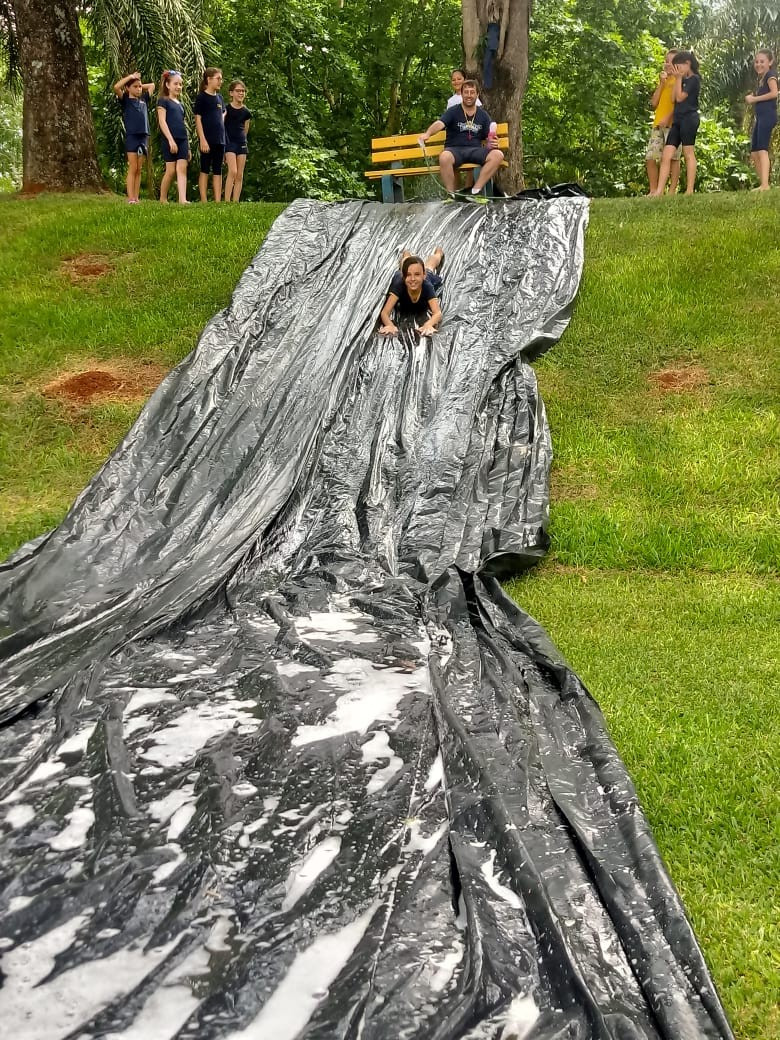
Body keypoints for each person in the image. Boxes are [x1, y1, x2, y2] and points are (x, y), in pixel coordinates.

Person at [418, 80, 504, 196]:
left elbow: (489, 135)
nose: (469, 95)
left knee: (498, 155)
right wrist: (428, 134)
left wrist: (493, 141)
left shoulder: (483, 115)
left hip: (475, 150)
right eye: (466, 92)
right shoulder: (453, 111)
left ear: (477, 95)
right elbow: (440, 123)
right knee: (444, 157)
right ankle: (451, 194)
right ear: (462, 94)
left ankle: (475, 191)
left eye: (472, 92)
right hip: (455, 150)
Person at [652, 51, 700, 197]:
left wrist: (678, 79)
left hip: (689, 119)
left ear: (687, 64)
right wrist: (676, 79)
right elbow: (673, 98)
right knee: (666, 155)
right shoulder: (681, 79)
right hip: (678, 120)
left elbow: (680, 98)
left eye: (678, 66)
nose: (677, 70)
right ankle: (659, 191)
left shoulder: (694, 79)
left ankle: (689, 190)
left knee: (688, 153)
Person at [113, 72, 155, 204]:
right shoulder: (125, 100)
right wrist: (131, 77)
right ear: (128, 88)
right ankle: (130, 198)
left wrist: (139, 83)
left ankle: (136, 197)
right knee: (133, 167)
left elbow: (152, 86)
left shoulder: (144, 99)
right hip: (132, 136)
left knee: (139, 168)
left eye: (140, 87)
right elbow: (116, 87)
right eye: (135, 87)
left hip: (143, 136)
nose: (139, 89)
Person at [379, 255, 442, 337]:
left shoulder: (427, 286)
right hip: (400, 275)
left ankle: (438, 253)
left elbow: (437, 313)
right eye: (408, 275)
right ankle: (406, 254)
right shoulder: (399, 286)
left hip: (427, 274)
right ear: (404, 277)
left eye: (417, 274)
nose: (413, 279)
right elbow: (385, 312)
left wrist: (428, 324)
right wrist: (389, 325)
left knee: (430, 266)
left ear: (423, 275)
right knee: (405, 263)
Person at [646, 51, 681, 195]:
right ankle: (653, 190)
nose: (667, 64)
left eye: (671, 62)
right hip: (658, 124)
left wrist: (668, 117)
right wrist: (661, 83)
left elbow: (679, 103)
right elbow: (654, 103)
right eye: (666, 61)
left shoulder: (679, 80)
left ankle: (672, 190)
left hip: (673, 125)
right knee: (650, 157)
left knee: (673, 159)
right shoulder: (664, 81)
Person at [745, 49, 778, 191]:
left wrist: (754, 99)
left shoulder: (770, 75)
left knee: (762, 150)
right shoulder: (761, 80)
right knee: (754, 152)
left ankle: (765, 185)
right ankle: (764, 184)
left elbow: (774, 93)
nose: (758, 64)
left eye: (762, 61)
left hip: (768, 115)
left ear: (770, 62)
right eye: (756, 62)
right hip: (761, 117)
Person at [157, 70, 190, 204]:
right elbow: (162, 121)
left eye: (180, 84)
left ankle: (183, 199)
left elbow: (183, 124)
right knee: (170, 171)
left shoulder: (181, 105)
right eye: (175, 84)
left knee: (182, 169)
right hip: (169, 139)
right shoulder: (163, 101)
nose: (178, 87)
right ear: (167, 85)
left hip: (182, 139)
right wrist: (170, 140)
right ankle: (163, 198)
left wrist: (188, 147)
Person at [194, 67, 226, 203]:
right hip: (207, 139)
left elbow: (223, 114)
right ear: (209, 79)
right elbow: (198, 119)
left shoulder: (220, 98)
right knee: (205, 169)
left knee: (218, 169)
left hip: (220, 140)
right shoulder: (202, 97)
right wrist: (202, 139)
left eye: (221, 79)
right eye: (218, 79)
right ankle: (204, 200)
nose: (220, 82)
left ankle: (218, 200)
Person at [224, 80, 252, 202]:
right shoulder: (226, 109)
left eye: (243, 91)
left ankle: (235, 201)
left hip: (241, 143)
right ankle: (227, 200)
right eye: (238, 91)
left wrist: (244, 141)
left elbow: (246, 129)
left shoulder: (246, 112)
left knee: (239, 174)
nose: (241, 93)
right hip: (229, 143)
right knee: (233, 171)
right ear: (231, 93)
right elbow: (222, 127)